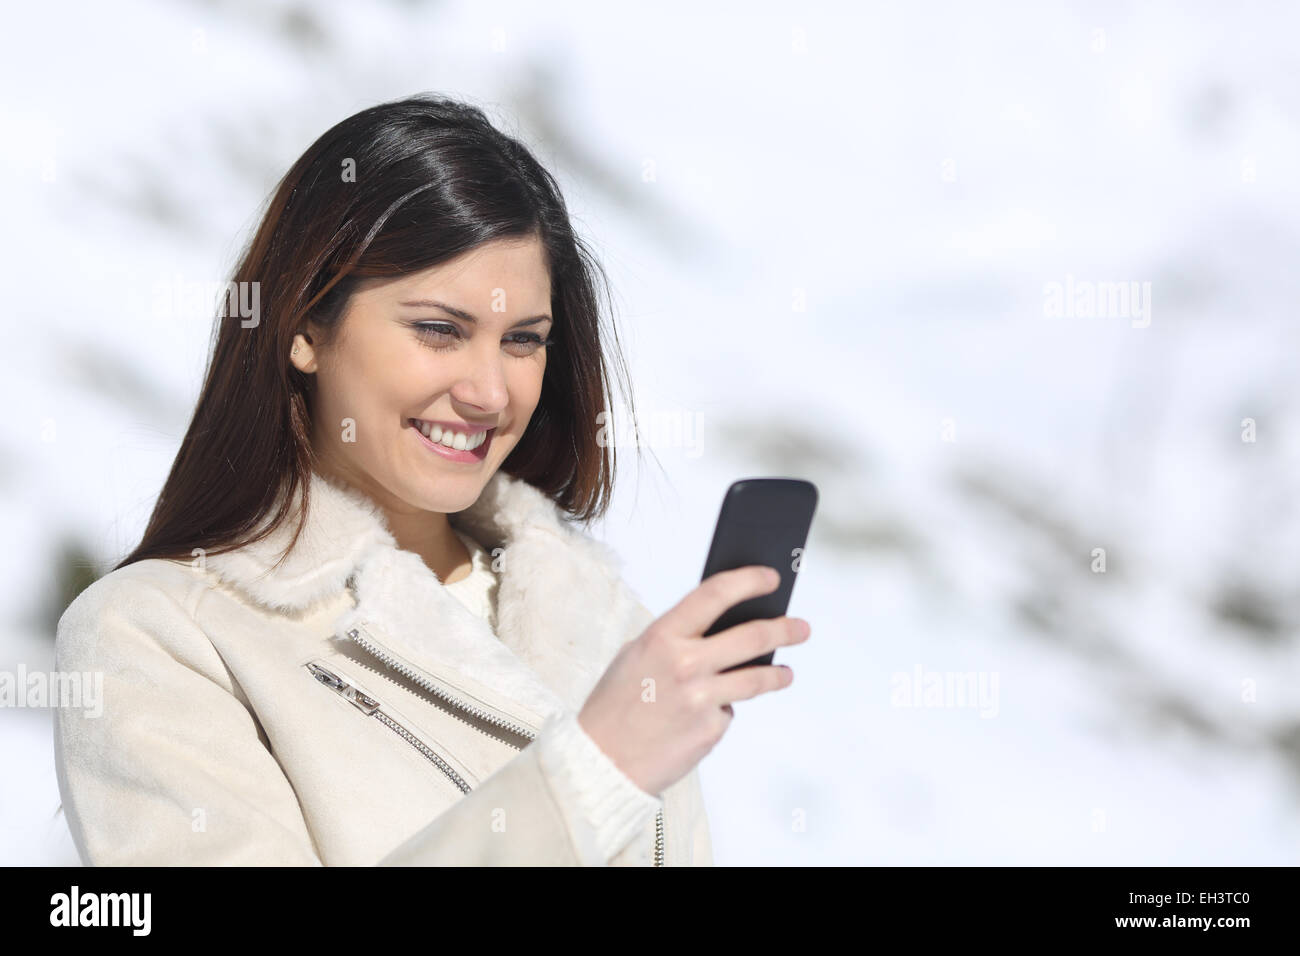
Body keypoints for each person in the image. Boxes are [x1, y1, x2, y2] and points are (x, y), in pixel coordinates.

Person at [52, 93, 810, 866]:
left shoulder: (603, 625)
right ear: (306, 327)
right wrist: (592, 774)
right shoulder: (160, 635)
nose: (489, 390)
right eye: (439, 330)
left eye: (523, 340)